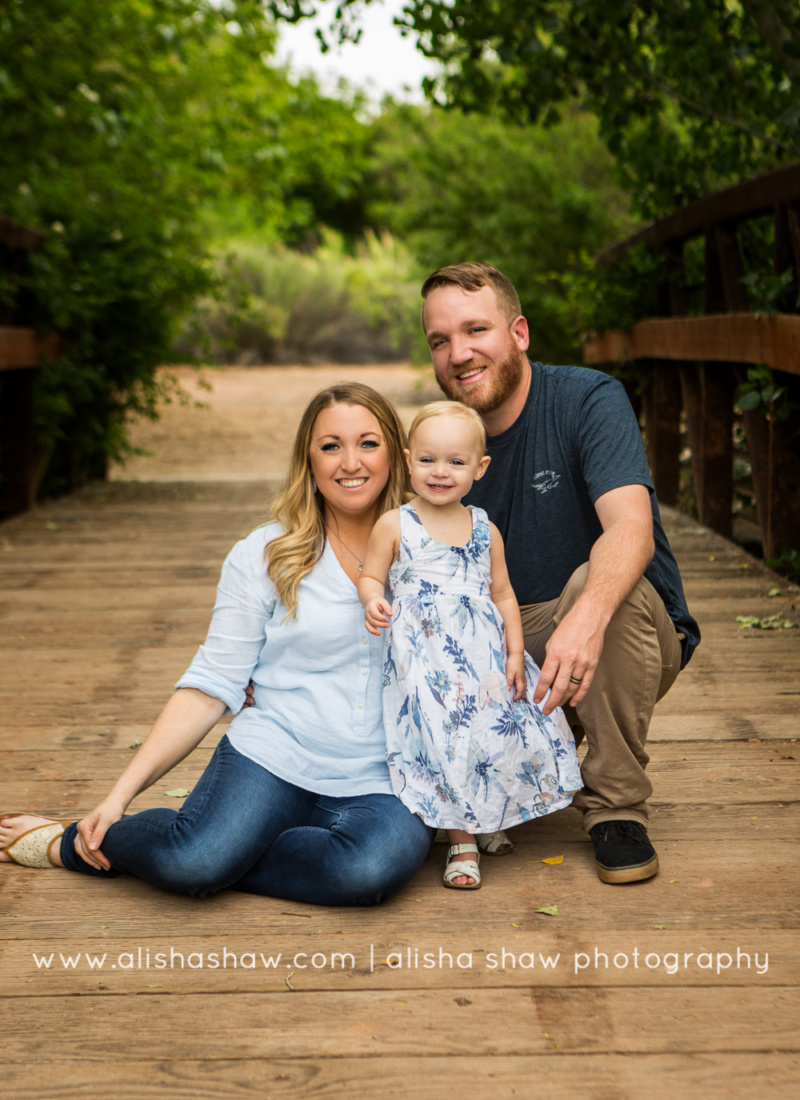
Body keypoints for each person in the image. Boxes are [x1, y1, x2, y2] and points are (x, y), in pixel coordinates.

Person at [0, 383, 433, 906]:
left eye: (367, 443)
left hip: (384, 774)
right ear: (308, 460)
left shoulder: (434, 551)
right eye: (330, 446)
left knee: (366, 871)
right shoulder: (264, 554)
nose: (350, 462)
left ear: (397, 454)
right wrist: (117, 797)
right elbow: (209, 686)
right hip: (276, 754)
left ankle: (233, 844)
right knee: (194, 861)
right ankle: (78, 842)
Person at [420, 262, 701, 884]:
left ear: (518, 332)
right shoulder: (437, 446)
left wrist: (587, 615)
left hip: (616, 635)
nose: (458, 353)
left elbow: (630, 528)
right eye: (440, 340)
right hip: (506, 655)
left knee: (600, 585)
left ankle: (616, 810)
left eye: (475, 330)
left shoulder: (586, 398)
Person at [358, 401, 582, 890]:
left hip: (481, 657)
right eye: (428, 460)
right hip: (425, 663)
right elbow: (372, 575)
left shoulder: (485, 528)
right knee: (444, 741)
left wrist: (515, 653)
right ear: (407, 458)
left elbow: (503, 593)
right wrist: (374, 599)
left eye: (456, 462)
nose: (441, 472)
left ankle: (489, 814)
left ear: (479, 468)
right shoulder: (396, 525)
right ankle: (460, 839)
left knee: (491, 736)